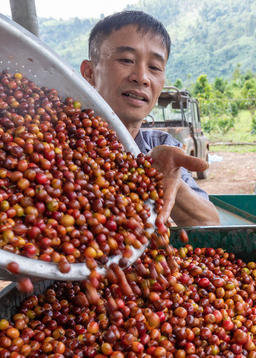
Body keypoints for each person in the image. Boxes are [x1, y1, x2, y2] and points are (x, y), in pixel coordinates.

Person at [80, 11, 220, 227]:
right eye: (126, 60)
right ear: (89, 72)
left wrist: (160, 179)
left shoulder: (162, 148)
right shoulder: (59, 142)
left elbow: (210, 224)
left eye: (154, 67)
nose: (142, 77)